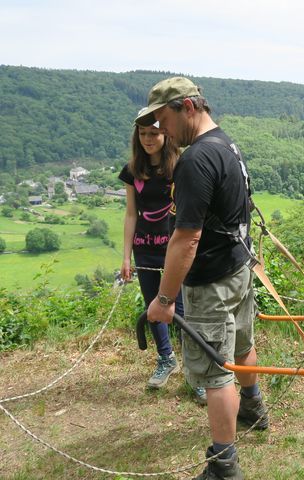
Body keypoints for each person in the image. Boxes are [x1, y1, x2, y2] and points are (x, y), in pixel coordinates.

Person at [142, 77, 267, 480]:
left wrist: (164, 300)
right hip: (238, 268)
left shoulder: (196, 159)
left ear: (188, 107)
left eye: (164, 120)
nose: (162, 131)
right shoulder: (227, 145)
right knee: (243, 345)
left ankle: (224, 465)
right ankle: (253, 406)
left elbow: (186, 237)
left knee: (216, 374)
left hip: (211, 279)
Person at [119, 115, 207, 405]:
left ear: (165, 136)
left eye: (154, 133)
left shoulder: (179, 167)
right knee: (153, 307)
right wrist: (126, 256)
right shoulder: (132, 171)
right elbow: (132, 213)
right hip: (144, 248)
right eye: (143, 133)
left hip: (174, 247)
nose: (148, 139)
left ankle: (195, 371)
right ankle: (166, 358)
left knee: (180, 309)